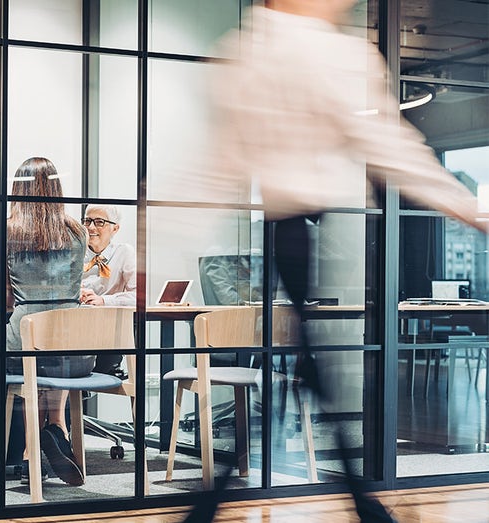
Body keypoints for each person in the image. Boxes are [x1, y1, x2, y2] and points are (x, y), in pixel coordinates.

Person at [186, 1, 485, 522]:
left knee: (308, 372)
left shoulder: (243, 52)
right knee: (310, 373)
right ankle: (359, 504)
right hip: (301, 232)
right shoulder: (330, 53)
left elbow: (217, 165)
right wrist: (466, 207)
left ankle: (333, 499)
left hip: (286, 231)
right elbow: (391, 147)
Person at [0, 157, 94, 487]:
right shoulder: (77, 230)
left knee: (31, 358)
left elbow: (8, 296)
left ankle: (30, 450)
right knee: (56, 350)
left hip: (28, 343)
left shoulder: (5, 229)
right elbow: (73, 289)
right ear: (57, 188)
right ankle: (57, 427)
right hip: (77, 351)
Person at [79, 204, 137, 377]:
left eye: (99, 222)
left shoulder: (124, 252)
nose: (90, 227)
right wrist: (76, 293)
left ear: (115, 228)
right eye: (87, 221)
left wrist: (104, 300)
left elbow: (138, 296)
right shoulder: (74, 251)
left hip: (108, 335)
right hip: (75, 332)